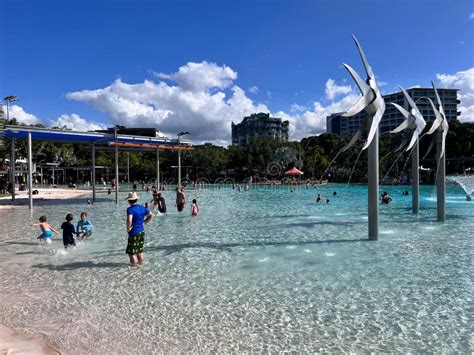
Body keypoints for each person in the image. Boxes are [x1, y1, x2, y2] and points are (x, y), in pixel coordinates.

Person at [126, 192, 153, 267]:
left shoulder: (130, 209)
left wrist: (128, 229)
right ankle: (141, 265)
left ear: (129, 201)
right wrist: (144, 223)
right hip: (142, 231)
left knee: (131, 252)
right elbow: (151, 215)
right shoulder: (142, 208)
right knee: (139, 251)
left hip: (134, 232)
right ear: (136, 200)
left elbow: (129, 220)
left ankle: (133, 268)